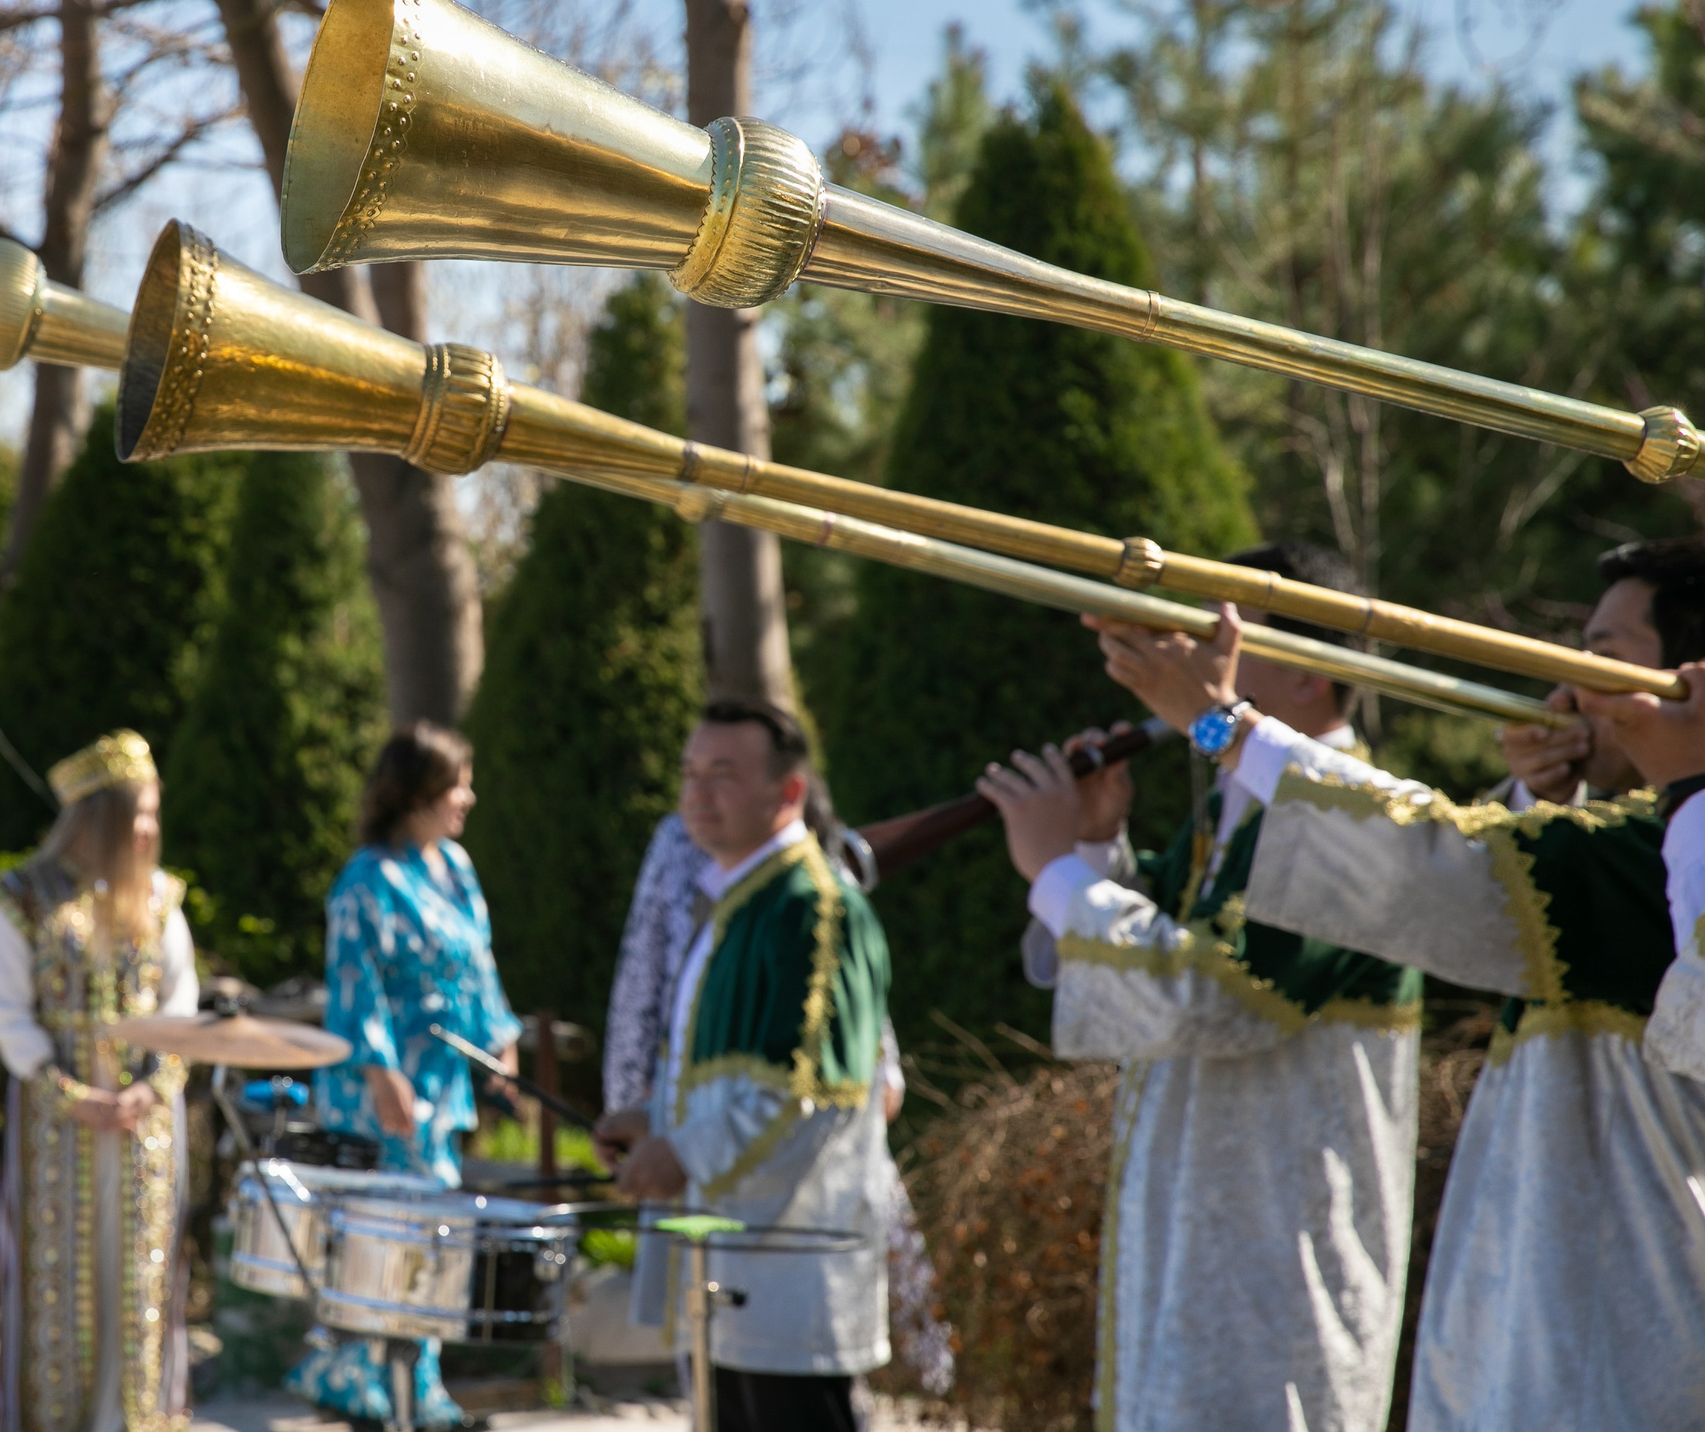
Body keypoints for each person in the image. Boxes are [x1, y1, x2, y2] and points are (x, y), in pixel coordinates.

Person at [1084, 536, 1705, 1432]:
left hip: (1618, 1357)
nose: (1566, 690)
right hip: (1563, 1339)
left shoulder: (1654, 846)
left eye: (1600, 660)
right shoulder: (1635, 833)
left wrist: (1221, 724)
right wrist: (1541, 798)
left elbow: (1428, 864)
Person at [976, 540, 1422, 1432]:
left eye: (1228, 634)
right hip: (1204, 1243)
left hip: (1281, 1260)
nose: (1198, 660)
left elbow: (1212, 997)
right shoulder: (1240, 805)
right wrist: (1102, 848)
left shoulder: (1358, 806)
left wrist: (1058, 874)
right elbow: (1166, 971)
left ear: (1311, 672)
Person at [593, 700, 896, 1432]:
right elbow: (733, 1081)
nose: (697, 793)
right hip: (730, 1267)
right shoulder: (738, 903)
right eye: (690, 773)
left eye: (722, 774)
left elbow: (810, 1098)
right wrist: (652, 1121)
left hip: (793, 1276)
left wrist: (682, 1151)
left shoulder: (815, 907)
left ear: (787, 791)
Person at [286, 722, 520, 1432]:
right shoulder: (365, 880)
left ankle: (418, 1387)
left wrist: (500, 1041)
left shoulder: (454, 866)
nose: (468, 797)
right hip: (381, 1091)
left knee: (434, 1236)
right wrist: (384, 1074)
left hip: (443, 1083)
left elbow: (479, 962)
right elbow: (356, 984)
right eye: (457, 784)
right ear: (417, 792)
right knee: (389, 1238)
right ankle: (356, 1378)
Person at [0, 730, 197, 1432]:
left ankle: (130, 1417)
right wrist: (70, 1095)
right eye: (138, 812)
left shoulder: (161, 897)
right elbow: (6, 1014)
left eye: (154, 813)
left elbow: (181, 1004)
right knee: (55, 1281)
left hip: (144, 1121)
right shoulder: (20, 897)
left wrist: (151, 1087)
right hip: (56, 1122)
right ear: (97, 817)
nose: (149, 829)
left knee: (140, 1277)